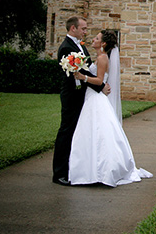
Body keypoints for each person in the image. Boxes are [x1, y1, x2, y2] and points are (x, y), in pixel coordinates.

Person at [70, 29, 152, 187]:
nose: (93, 39)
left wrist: (82, 77)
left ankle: (101, 171)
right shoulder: (99, 57)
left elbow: (100, 80)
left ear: (103, 43)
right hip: (91, 96)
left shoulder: (102, 58)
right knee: (91, 132)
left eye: (97, 38)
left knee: (98, 132)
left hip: (95, 98)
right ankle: (90, 170)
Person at [53, 16, 110, 186]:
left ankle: (74, 168)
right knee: (66, 131)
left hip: (82, 94)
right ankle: (59, 173)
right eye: (83, 29)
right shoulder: (66, 48)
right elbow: (74, 74)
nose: (86, 32)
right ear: (73, 29)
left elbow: (86, 70)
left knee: (78, 132)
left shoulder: (81, 46)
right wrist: (101, 86)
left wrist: (100, 84)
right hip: (72, 95)